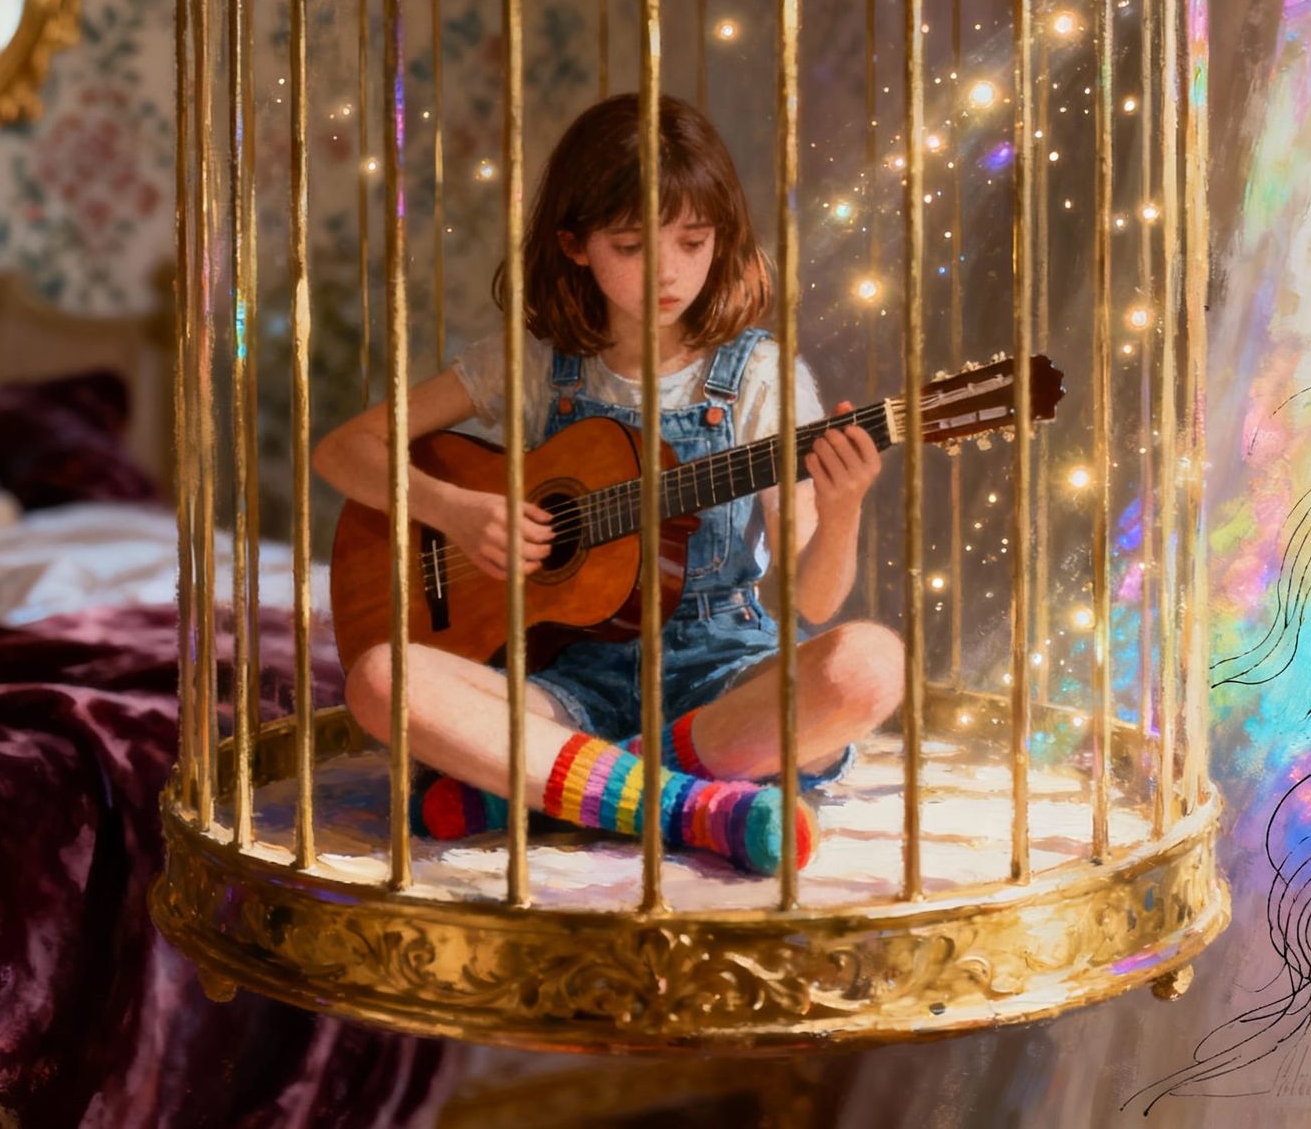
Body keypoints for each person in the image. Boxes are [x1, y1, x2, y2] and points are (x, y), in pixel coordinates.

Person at [312, 94, 904, 876]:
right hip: (565, 674)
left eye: (693, 241)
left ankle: (539, 783)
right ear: (576, 246)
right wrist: (452, 509)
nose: (669, 272)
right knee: (381, 679)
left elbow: (814, 601)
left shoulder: (759, 374)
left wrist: (842, 511)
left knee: (867, 664)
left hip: (721, 670)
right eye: (632, 245)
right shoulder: (533, 364)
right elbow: (344, 451)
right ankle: (685, 805)